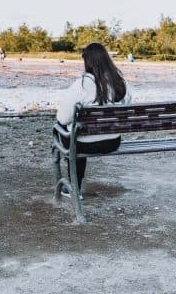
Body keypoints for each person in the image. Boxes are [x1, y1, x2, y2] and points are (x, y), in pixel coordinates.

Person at [54, 42, 132, 198]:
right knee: (76, 137)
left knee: (66, 133)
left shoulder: (82, 85)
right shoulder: (120, 84)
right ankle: (75, 186)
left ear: (87, 62)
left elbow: (62, 118)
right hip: (112, 142)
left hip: (85, 145)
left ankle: (74, 187)